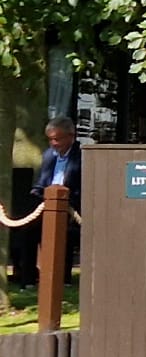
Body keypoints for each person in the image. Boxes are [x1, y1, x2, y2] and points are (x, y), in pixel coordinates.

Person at [29, 116, 83, 280]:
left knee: (64, 230)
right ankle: (29, 277)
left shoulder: (82, 157)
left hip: (71, 206)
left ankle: (62, 277)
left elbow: (81, 189)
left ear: (70, 136)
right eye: (50, 139)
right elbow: (41, 184)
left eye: (57, 139)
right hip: (46, 204)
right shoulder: (48, 156)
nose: (53, 143)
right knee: (28, 230)